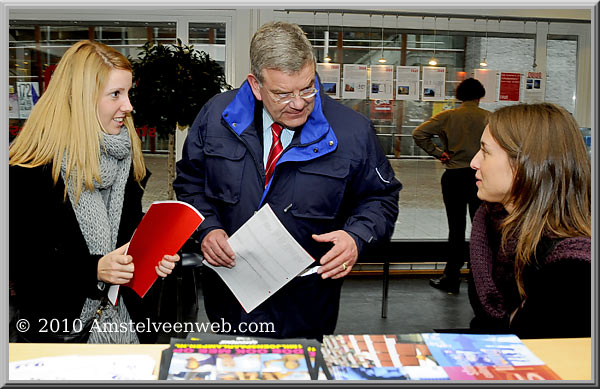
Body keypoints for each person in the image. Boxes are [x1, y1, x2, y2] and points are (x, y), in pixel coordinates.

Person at [174, 21, 401, 340]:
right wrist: (207, 228)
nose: (298, 103)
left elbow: (381, 199)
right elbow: (189, 185)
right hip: (228, 301)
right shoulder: (216, 117)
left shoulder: (352, 132)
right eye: (282, 93)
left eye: (308, 87)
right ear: (255, 85)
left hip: (305, 307)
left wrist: (357, 237)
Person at [9, 40, 180, 343]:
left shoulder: (126, 157)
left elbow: (125, 237)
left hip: (128, 329)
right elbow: (24, 267)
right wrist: (94, 270)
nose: (128, 106)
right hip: (59, 337)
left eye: (128, 93)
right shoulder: (27, 171)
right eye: (116, 94)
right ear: (80, 99)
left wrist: (154, 256)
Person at [468, 103, 591, 339]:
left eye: (485, 151)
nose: (474, 162)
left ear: (525, 164)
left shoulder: (574, 270)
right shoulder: (492, 224)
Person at [412, 78, 489, 294]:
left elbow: (418, 133)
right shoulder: (490, 118)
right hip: (480, 178)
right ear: (479, 95)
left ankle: (451, 276)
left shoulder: (448, 116)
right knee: (481, 227)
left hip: (454, 176)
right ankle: (479, 276)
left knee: (456, 228)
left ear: (459, 96)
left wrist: (439, 153)